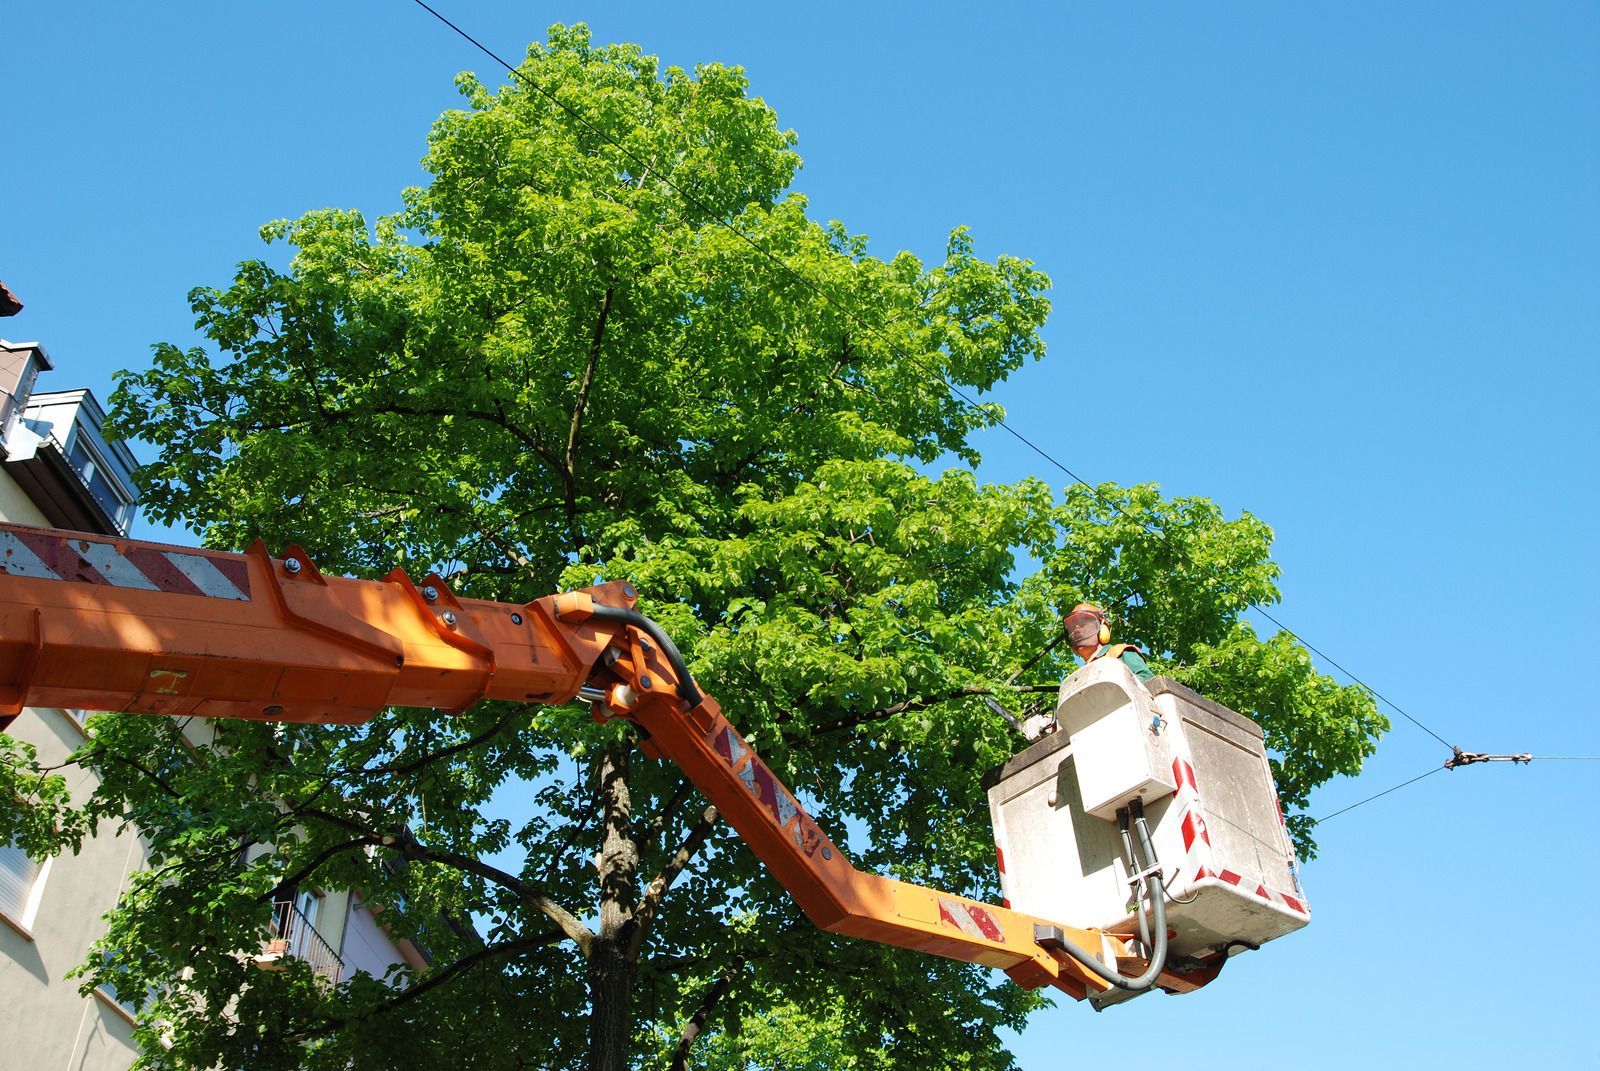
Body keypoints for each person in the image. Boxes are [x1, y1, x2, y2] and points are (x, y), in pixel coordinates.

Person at [1063, 603, 1153, 682]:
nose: (1076, 631)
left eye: (1082, 624)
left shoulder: (1119, 652)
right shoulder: (1079, 677)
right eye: (1072, 628)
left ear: (1102, 627)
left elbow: (1147, 679)